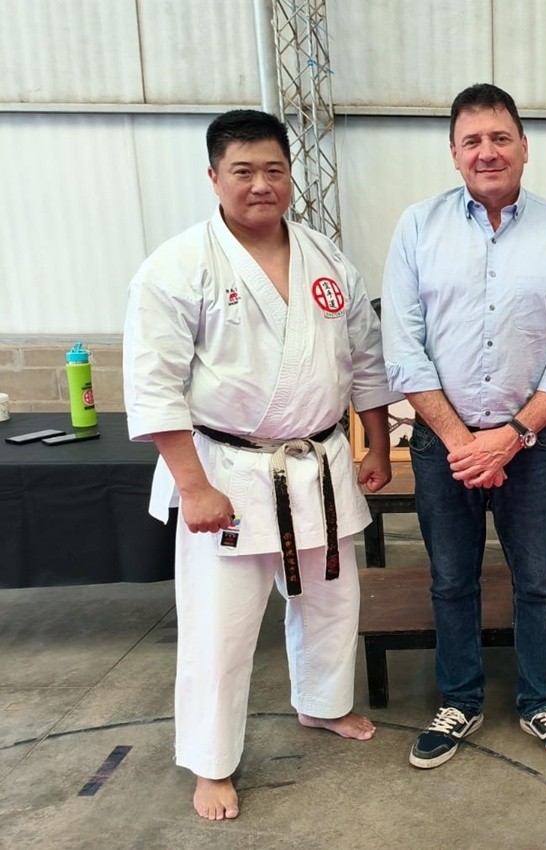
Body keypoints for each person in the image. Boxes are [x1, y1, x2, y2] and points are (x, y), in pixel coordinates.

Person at [123, 109, 398, 820]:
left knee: (332, 601)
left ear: (290, 175)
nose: (260, 184)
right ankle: (211, 762)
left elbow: (364, 357)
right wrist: (193, 485)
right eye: (242, 171)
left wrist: (378, 445)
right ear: (214, 177)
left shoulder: (326, 257)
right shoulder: (178, 266)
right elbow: (153, 385)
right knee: (222, 624)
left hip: (321, 464)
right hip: (228, 473)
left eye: (273, 169)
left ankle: (323, 703)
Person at [381, 83, 546, 770]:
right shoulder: (417, 227)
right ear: (453, 153)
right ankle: (460, 697)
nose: (487, 151)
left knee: (538, 579)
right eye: (472, 140)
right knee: (450, 578)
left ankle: (540, 698)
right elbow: (403, 346)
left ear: (524, 148)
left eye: (500, 137)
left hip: (531, 445)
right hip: (442, 442)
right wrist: (460, 440)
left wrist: (512, 436)